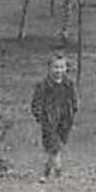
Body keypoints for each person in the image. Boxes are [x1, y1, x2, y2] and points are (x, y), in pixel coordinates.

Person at [30, 52, 78, 182]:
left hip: (65, 119)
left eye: (62, 67)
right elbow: (36, 102)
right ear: (49, 68)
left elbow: (74, 100)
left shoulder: (69, 84)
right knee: (54, 146)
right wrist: (40, 116)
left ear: (66, 68)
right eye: (56, 67)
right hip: (49, 119)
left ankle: (46, 172)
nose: (59, 71)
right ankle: (58, 173)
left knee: (56, 147)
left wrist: (73, 110)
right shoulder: (43, 85)